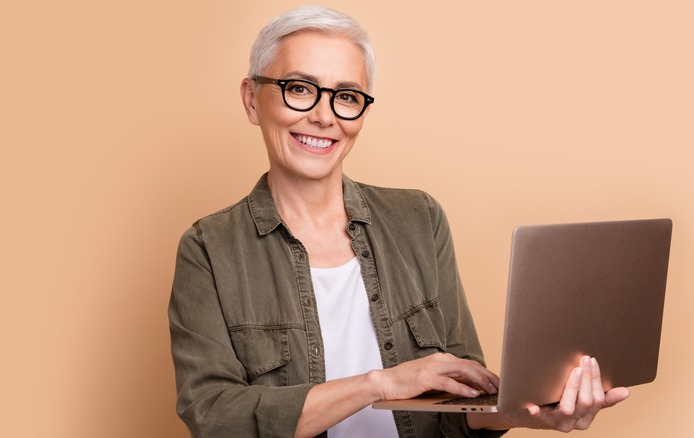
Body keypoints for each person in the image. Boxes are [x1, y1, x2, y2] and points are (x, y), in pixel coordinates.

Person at [168, 6, 630, 438]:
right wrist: (378, 384)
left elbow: (457, 401)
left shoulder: (419, 220)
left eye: (346, 96)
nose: (324, 116)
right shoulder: (209, 248)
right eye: (300, 88)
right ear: (252, 100)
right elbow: (214, 416)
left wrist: (523, 411)